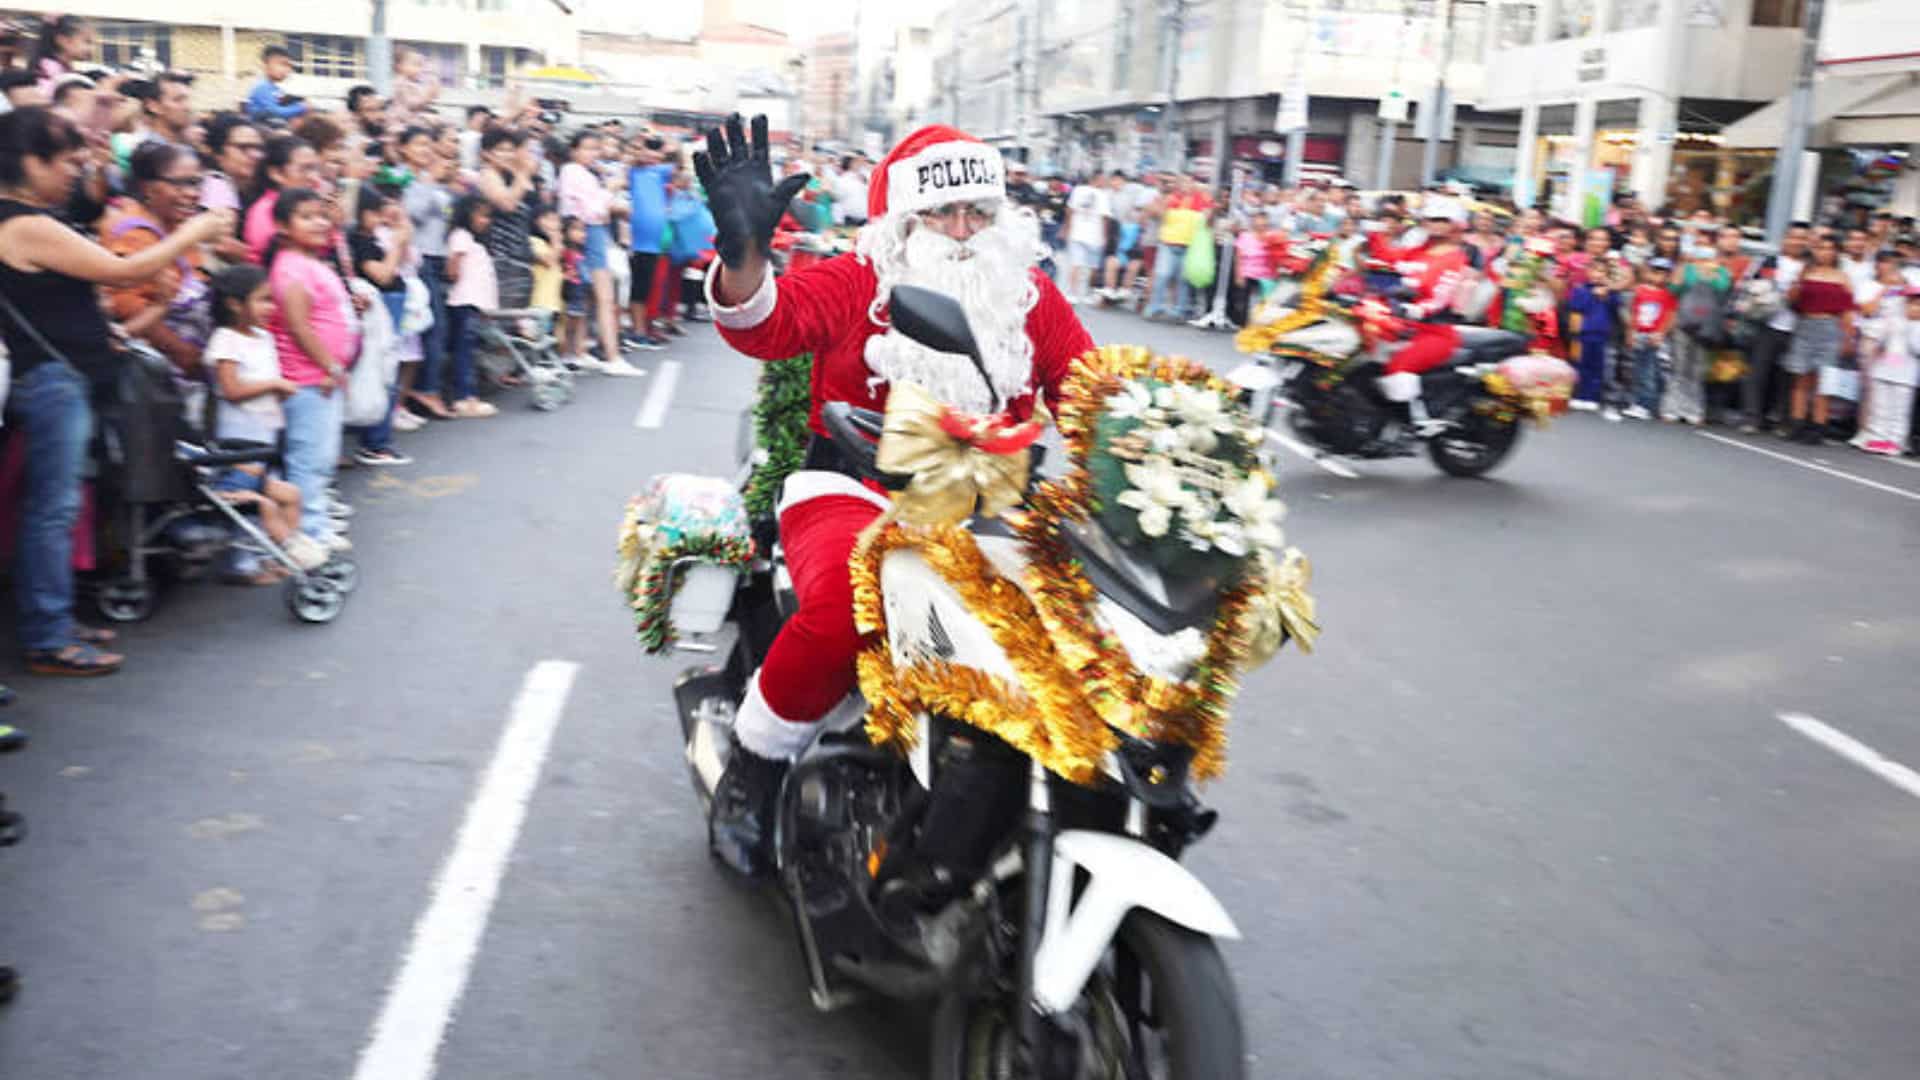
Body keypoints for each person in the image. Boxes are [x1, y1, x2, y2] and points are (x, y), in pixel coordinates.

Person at [695, 115, 1093, 877]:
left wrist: (1165, 445)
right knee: (853, 601)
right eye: (942, 212)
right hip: (856, 488)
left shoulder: (1026, 295)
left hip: (990, 510)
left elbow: (1091, 391)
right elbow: (767, 324)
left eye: (978, 211)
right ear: (906, 218)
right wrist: (745, 258)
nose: (962, 229)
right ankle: (754, 772)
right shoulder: (861, 279)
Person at [0, 107, 231, 674]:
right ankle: (48, 637)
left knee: (54, 509)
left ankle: (52, 623)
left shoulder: (29, 219)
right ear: (30, 163)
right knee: (51, 512)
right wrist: (195, 231)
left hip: (59, 377)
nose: (77, 173)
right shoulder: (24, 223)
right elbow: (123, 272)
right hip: (54, 383)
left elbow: (56, 301)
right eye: (68, 163)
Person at [204, 264, 330, 577]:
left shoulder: (263, 337)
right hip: (238, 444)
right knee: (256, 508)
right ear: (235, 304)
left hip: (264, 438)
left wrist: (278, 392)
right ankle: (247, 566)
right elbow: (231, 389)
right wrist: (274, 385)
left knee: (291, 495)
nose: (270, 307)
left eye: (271, 300)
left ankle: (286, 555)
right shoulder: (226, 339)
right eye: (262, 300)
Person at [265, 187, 357, 553]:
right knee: (308, 460)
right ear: (283, 226)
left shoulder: (311, 261)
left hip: (321, 379)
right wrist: (330, 365)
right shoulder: (290, 268)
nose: (319, 223)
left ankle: (315, 523)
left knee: (321, 458)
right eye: (306, 216)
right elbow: (299, 326)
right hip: (307, 381)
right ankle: (308, 533)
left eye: (321, 215)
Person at [98, 141, 215, 377]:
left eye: (196, 182)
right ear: (148, 188)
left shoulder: (180, 226)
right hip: (158, 371)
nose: (192, 193)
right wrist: (184, 353)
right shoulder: (132, 233)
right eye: (181, 184)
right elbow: (127, 306)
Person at [346, 188, 413, 465]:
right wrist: (396, 245)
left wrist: (400, 234)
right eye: (374, 211)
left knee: (387, 372)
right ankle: (376, 441)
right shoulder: (360, 241)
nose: (380, 216)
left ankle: (378, 439)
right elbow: (383, 275)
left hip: (390, 303)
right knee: (383, 373)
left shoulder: (372, 237)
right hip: (381, 306)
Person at [557, 128, 629, 374]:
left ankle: (580, 350)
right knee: (604, 296)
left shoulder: (580, 172)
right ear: (574, 150)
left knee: (587, 295)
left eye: (594, 149)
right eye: (586, 148)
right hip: (590, 230)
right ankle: (612, 356)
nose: (592, 153)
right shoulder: (574, 172)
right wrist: (610, 189)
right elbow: (595, 211)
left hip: (587, 232)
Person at [396, 126, 454, 419]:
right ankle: (423, 390)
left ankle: (416, 393)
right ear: (403, 148)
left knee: (434, 328)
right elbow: (412, 213)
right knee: (430, 326)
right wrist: (430, 182)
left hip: (437, 256)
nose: (426, 149)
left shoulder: (428, 179)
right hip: (418, 259)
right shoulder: (401, 177)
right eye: (419, 144)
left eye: (429, 143)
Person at [1782, 232, 1856, 444]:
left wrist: (1848, 338)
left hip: (1831, 328)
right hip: (1805, 325)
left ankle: (1818, 426)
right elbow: (1792, 300)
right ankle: (1796, 423)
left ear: (1836, 252)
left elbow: (1848, 311)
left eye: (1830, 249)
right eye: (1821, 248)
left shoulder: (1842, 277)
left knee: (1825, 381)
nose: (1825, 253)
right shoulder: (1806, 272)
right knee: (1801, 378)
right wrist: (1799, 279)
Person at [1741, 222, 1809, 433]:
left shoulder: (1809, 267)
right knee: (1758, 372)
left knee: (1787, 376)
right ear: (1785, 239)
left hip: (1797, 327)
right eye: (1793, 237)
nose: (1797, 242)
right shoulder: (1770, 261)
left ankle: (1780, 418)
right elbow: (1750, 285)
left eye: (1802, 238)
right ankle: (1752, 417)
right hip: (1767, 324)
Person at [440, 193, 500, 419]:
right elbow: (452, 270)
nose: (486, 220)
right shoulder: (461, 236)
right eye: (482, 215)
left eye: (488, 216)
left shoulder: (473, 240)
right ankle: (464, 397)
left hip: (472, 303)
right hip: (464, 301)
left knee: (468, 350)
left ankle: (467, 394)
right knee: (464, 351)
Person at [475, 128, 537, 310]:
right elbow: (507, 204)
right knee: (502, 320)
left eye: (510, 150)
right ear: (486, 153)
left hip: (519, 259)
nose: (508, 155)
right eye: (501, 150)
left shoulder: (508, 177)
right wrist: (523, 172)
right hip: (502, 259)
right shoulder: (487, 175)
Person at [1853, 289, 1918, 455]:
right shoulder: (1892, 320)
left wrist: (1912, 325)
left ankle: (1896, 441)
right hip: (1883, 370)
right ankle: (1878, 437)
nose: (1914, 306)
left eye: (1917, 304)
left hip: (1905, 375)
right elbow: (1877, 340)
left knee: (1899, 410)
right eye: (1910, 302)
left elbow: (1917, 348)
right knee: (1879, 407)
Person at [624, 134, 673, 351]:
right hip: (635, 242)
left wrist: (665, 145)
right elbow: (626, 163)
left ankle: (641, 329)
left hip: (653, 244)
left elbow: (680, 161)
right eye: (644, 150)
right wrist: (635, 150)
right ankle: (637, 331)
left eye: (654, 150)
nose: (648, 154)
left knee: (644, 288)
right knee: (635, 289)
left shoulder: (659, 172)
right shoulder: (631, 173)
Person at [243, 134, 318, 261]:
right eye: (304, 169)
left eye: (315, 169)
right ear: (276, 173)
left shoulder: (311, 203)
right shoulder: (265, 211)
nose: (314, 178)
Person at [1623, 257, 1678, 420]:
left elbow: (1670, 315)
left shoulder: (1668, 295)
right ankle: (1638, 402)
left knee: (1650, 370)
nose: (1658, 277)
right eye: (1655, 272)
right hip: (1639, 333)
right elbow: (1633, 313)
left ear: (1668, 276)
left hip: (1654, 336)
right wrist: (1630, 332)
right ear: (1648, 273)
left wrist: (1661, 333)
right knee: (1638, 369)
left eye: (1663, 274)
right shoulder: (1640, 291)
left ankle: (1646, 404)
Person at [1566, 257, 1619, 413]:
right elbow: (1576, 307)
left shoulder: (1611, 292)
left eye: (1602, 271)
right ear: (1588, 271)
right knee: (1580, 365)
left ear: (1607, 274)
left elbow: (1615, 306)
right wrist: (1592, 294)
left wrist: (1606, 294)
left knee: (1596, 367)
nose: (1598, 274)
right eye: (1595, 270)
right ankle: (1578, 395)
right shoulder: (1580, 289)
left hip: (1600, 335)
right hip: (1582, 335)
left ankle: (1592, 397)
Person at [1063, 172, 1111, 304]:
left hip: (1077, 233)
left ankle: (1073, 292)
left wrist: (1067, 228)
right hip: (1094, 235)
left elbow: (1069, 210)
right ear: (1098, 179)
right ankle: (1085, 293)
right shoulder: (1103, 195)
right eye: (1103, 179)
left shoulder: (1078, 190)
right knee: (1091, 266)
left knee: (1076, 264)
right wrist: (1105, 236)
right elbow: (1105, 217)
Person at [245, 45, 308, 126]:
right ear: (265, 65)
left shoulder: (276, 90)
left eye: (289, 66)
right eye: (282, 64)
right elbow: (275, 112)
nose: (287, 69)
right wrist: (302, 107)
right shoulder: (262, 88)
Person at [558, 214, 589, 365]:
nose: (582, 234)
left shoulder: (581, 252)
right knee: (567, 324)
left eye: (583, 230)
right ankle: (564, 355)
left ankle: (574, 353)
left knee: (576, 323)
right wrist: (566, 275)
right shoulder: (565, 251)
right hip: (570, 291)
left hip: (580, 290)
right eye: (576, 230)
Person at [457, 105, 492, 173]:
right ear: (469, 120)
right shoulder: (461, 137)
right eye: (477, 118)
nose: (482, 122)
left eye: (485, 120)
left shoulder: (487, 138)